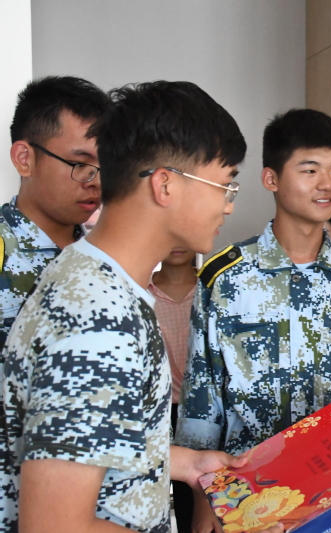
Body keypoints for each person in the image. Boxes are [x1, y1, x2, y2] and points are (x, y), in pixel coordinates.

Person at [0, 81, 282, 533]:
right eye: (224, 185)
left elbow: (85, 440)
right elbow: (55, 526)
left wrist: (186, 463)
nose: (228, 207)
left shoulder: (95, 280)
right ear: (165, 184)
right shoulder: (98, 318)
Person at [176, 108, 331, 533]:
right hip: (248, 494)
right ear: (271, 179)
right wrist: (201, 494)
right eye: (310, 170)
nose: (327, 184)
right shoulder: (226, 278)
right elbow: (202, 395)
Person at [0, 75, 108, 530]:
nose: (95, 182)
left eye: (105, 166)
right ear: (25, 158)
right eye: (80, 164)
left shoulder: (104, 262)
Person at [148, 247, 199, 532]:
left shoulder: (214, 287)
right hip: (157, 411)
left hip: (204, 410)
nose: (177, 245)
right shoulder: (140, 290)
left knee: (199, 498)